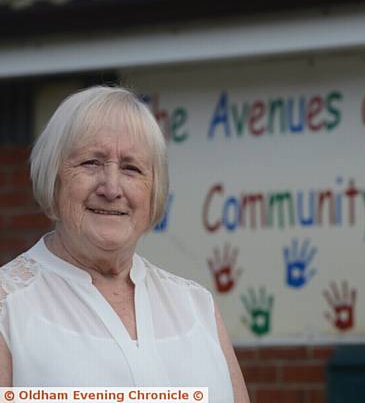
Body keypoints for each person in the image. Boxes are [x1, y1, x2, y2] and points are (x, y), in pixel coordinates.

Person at [0, 86, 249, 402]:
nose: (111, 187)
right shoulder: (8, 306)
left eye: (131, 168)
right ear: (54, 177)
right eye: (91, 162)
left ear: (154, 191)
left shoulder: (196, 305)